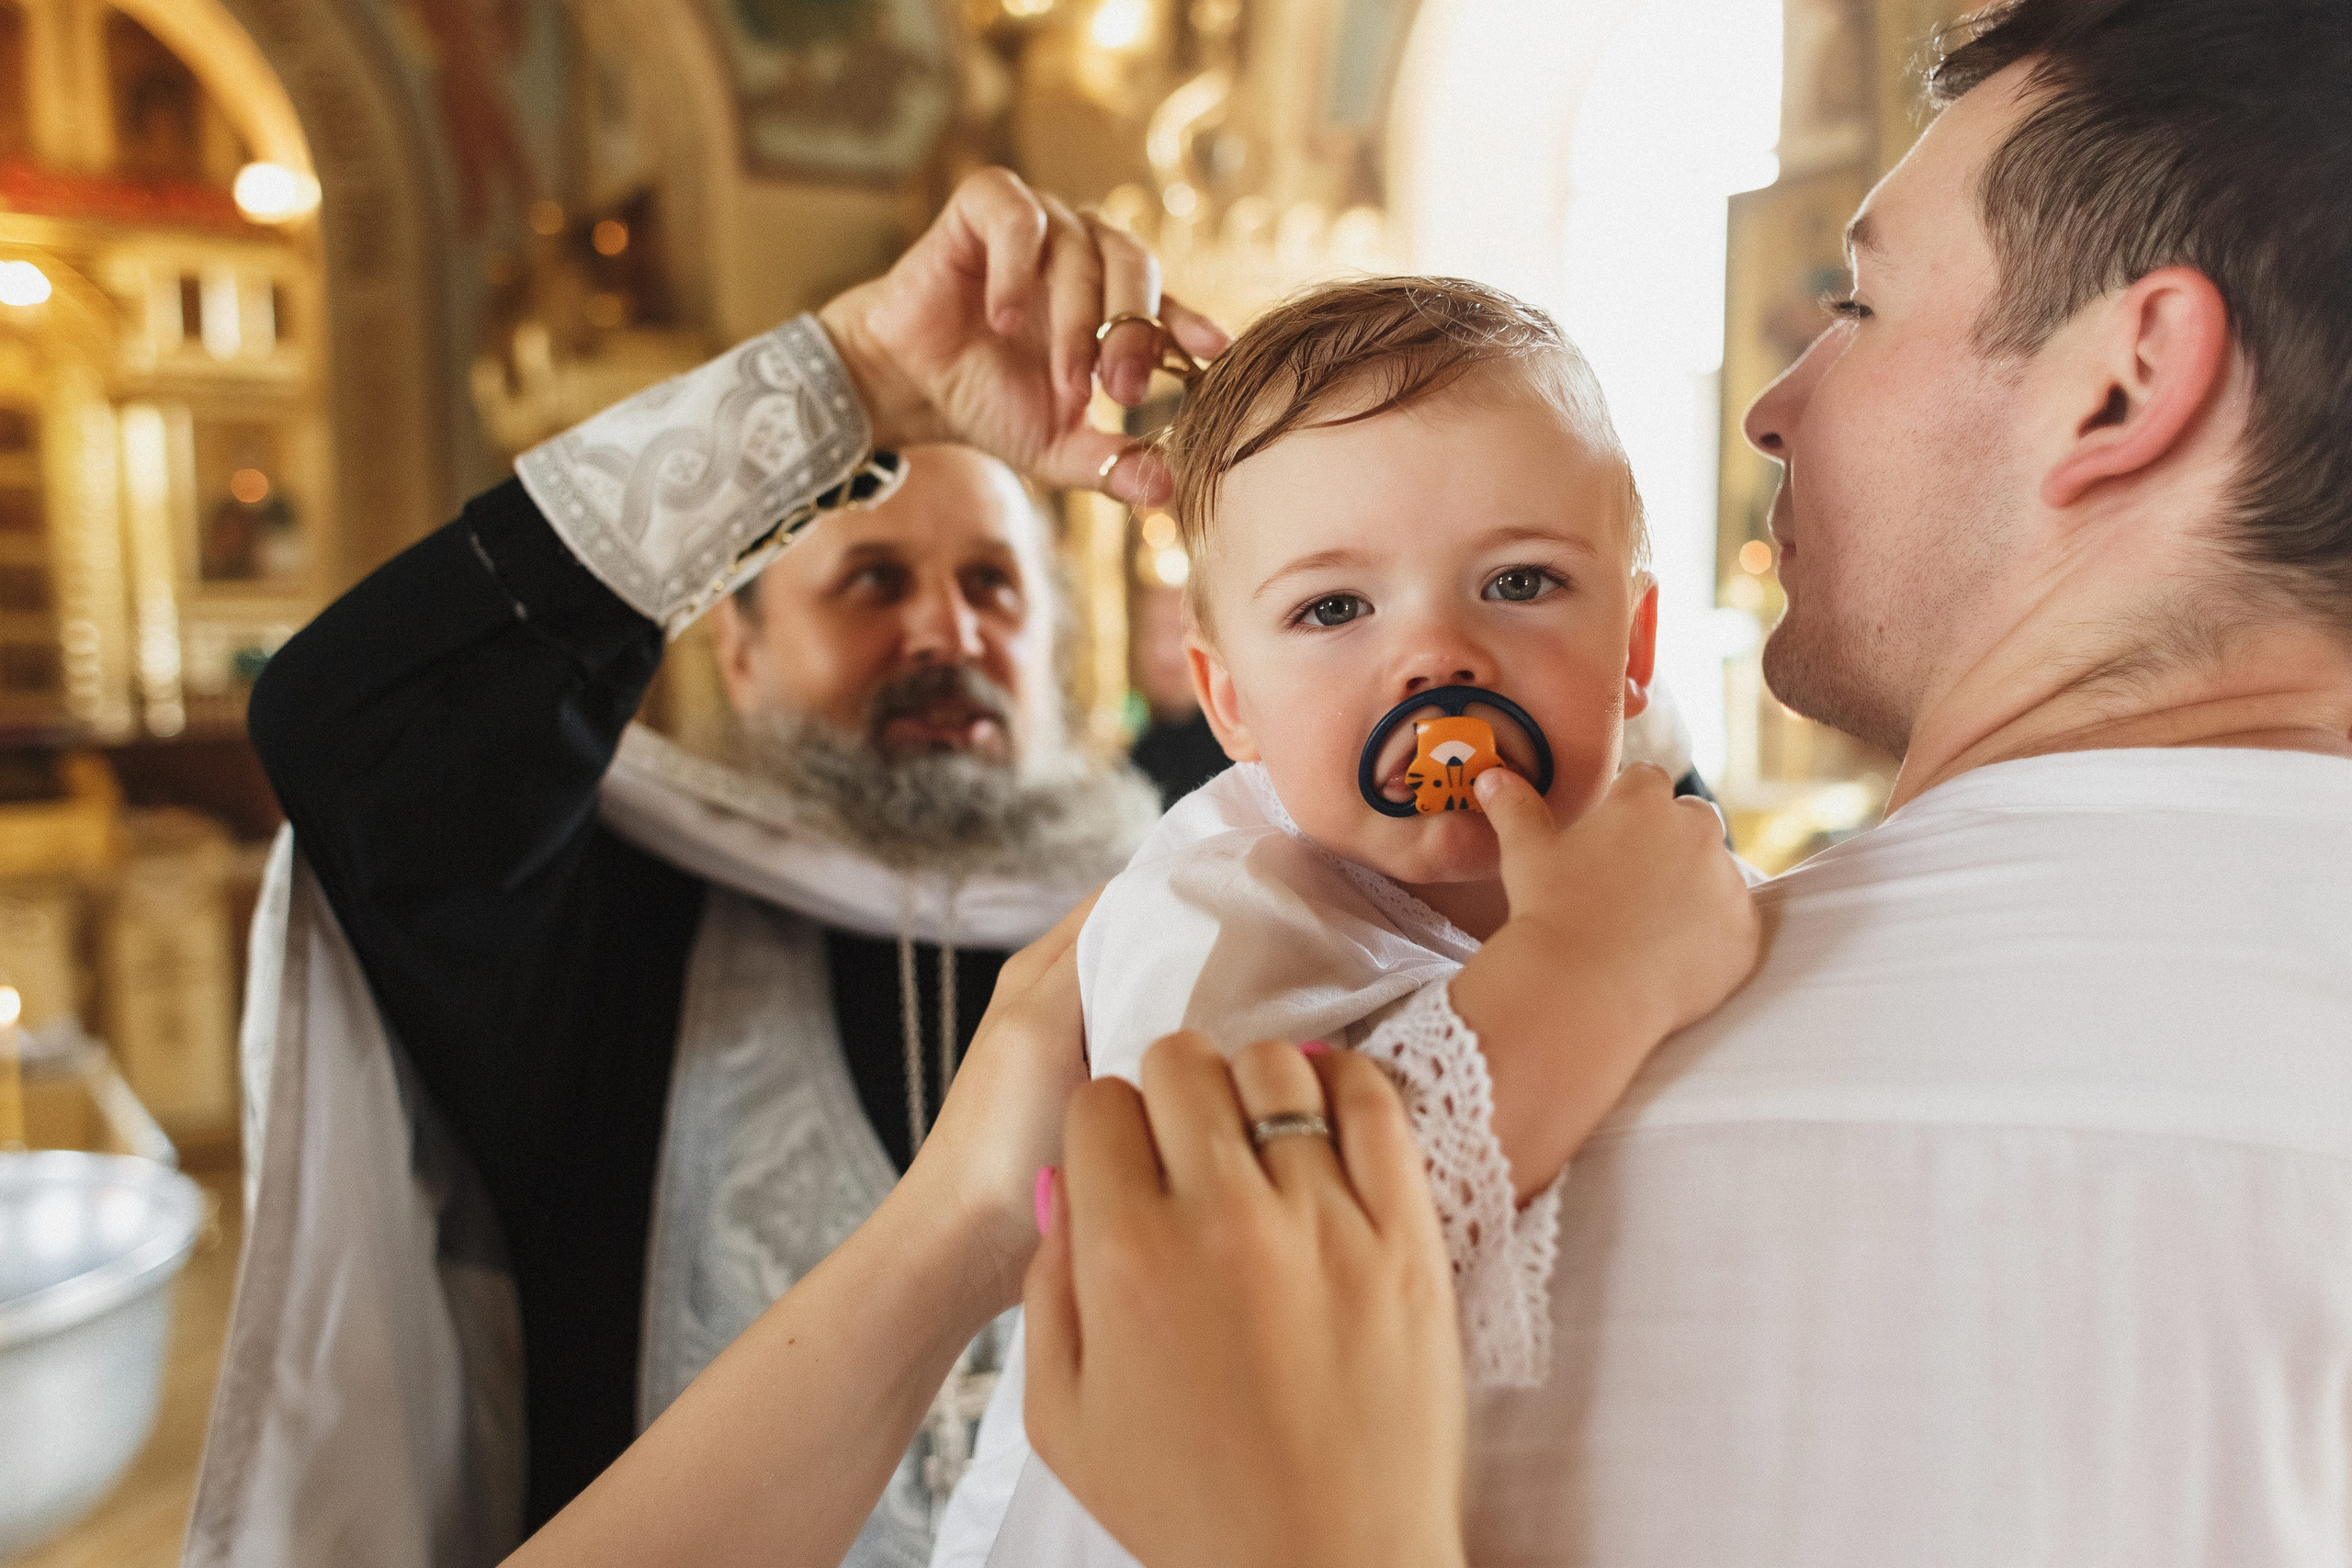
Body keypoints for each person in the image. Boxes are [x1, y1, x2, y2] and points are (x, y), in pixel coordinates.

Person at [1043, 3, 2352, 1563]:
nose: (1768, 405)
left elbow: (1108, 1476)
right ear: (1226, 693)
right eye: (1334, 605)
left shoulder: (1617, 1036)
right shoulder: (1248, 908)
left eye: (1855, 303)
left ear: (2122, 388)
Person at [186, 170, 1222, 1568]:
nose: (946, 633)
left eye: (992, 586)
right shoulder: (616, 926)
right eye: (872, 582)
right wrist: (849, 381)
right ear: (736, 650)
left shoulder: (1181, 923)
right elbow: (355, 730)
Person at [934, 275, 1758, 1567]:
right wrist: (1583, 974)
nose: (1437, 657)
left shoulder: (1652, 863)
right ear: (1231, 705)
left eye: (1522, 580)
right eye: (1333, 609)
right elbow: (1245, 1277)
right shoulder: (1214, 907)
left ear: (1635, 646)